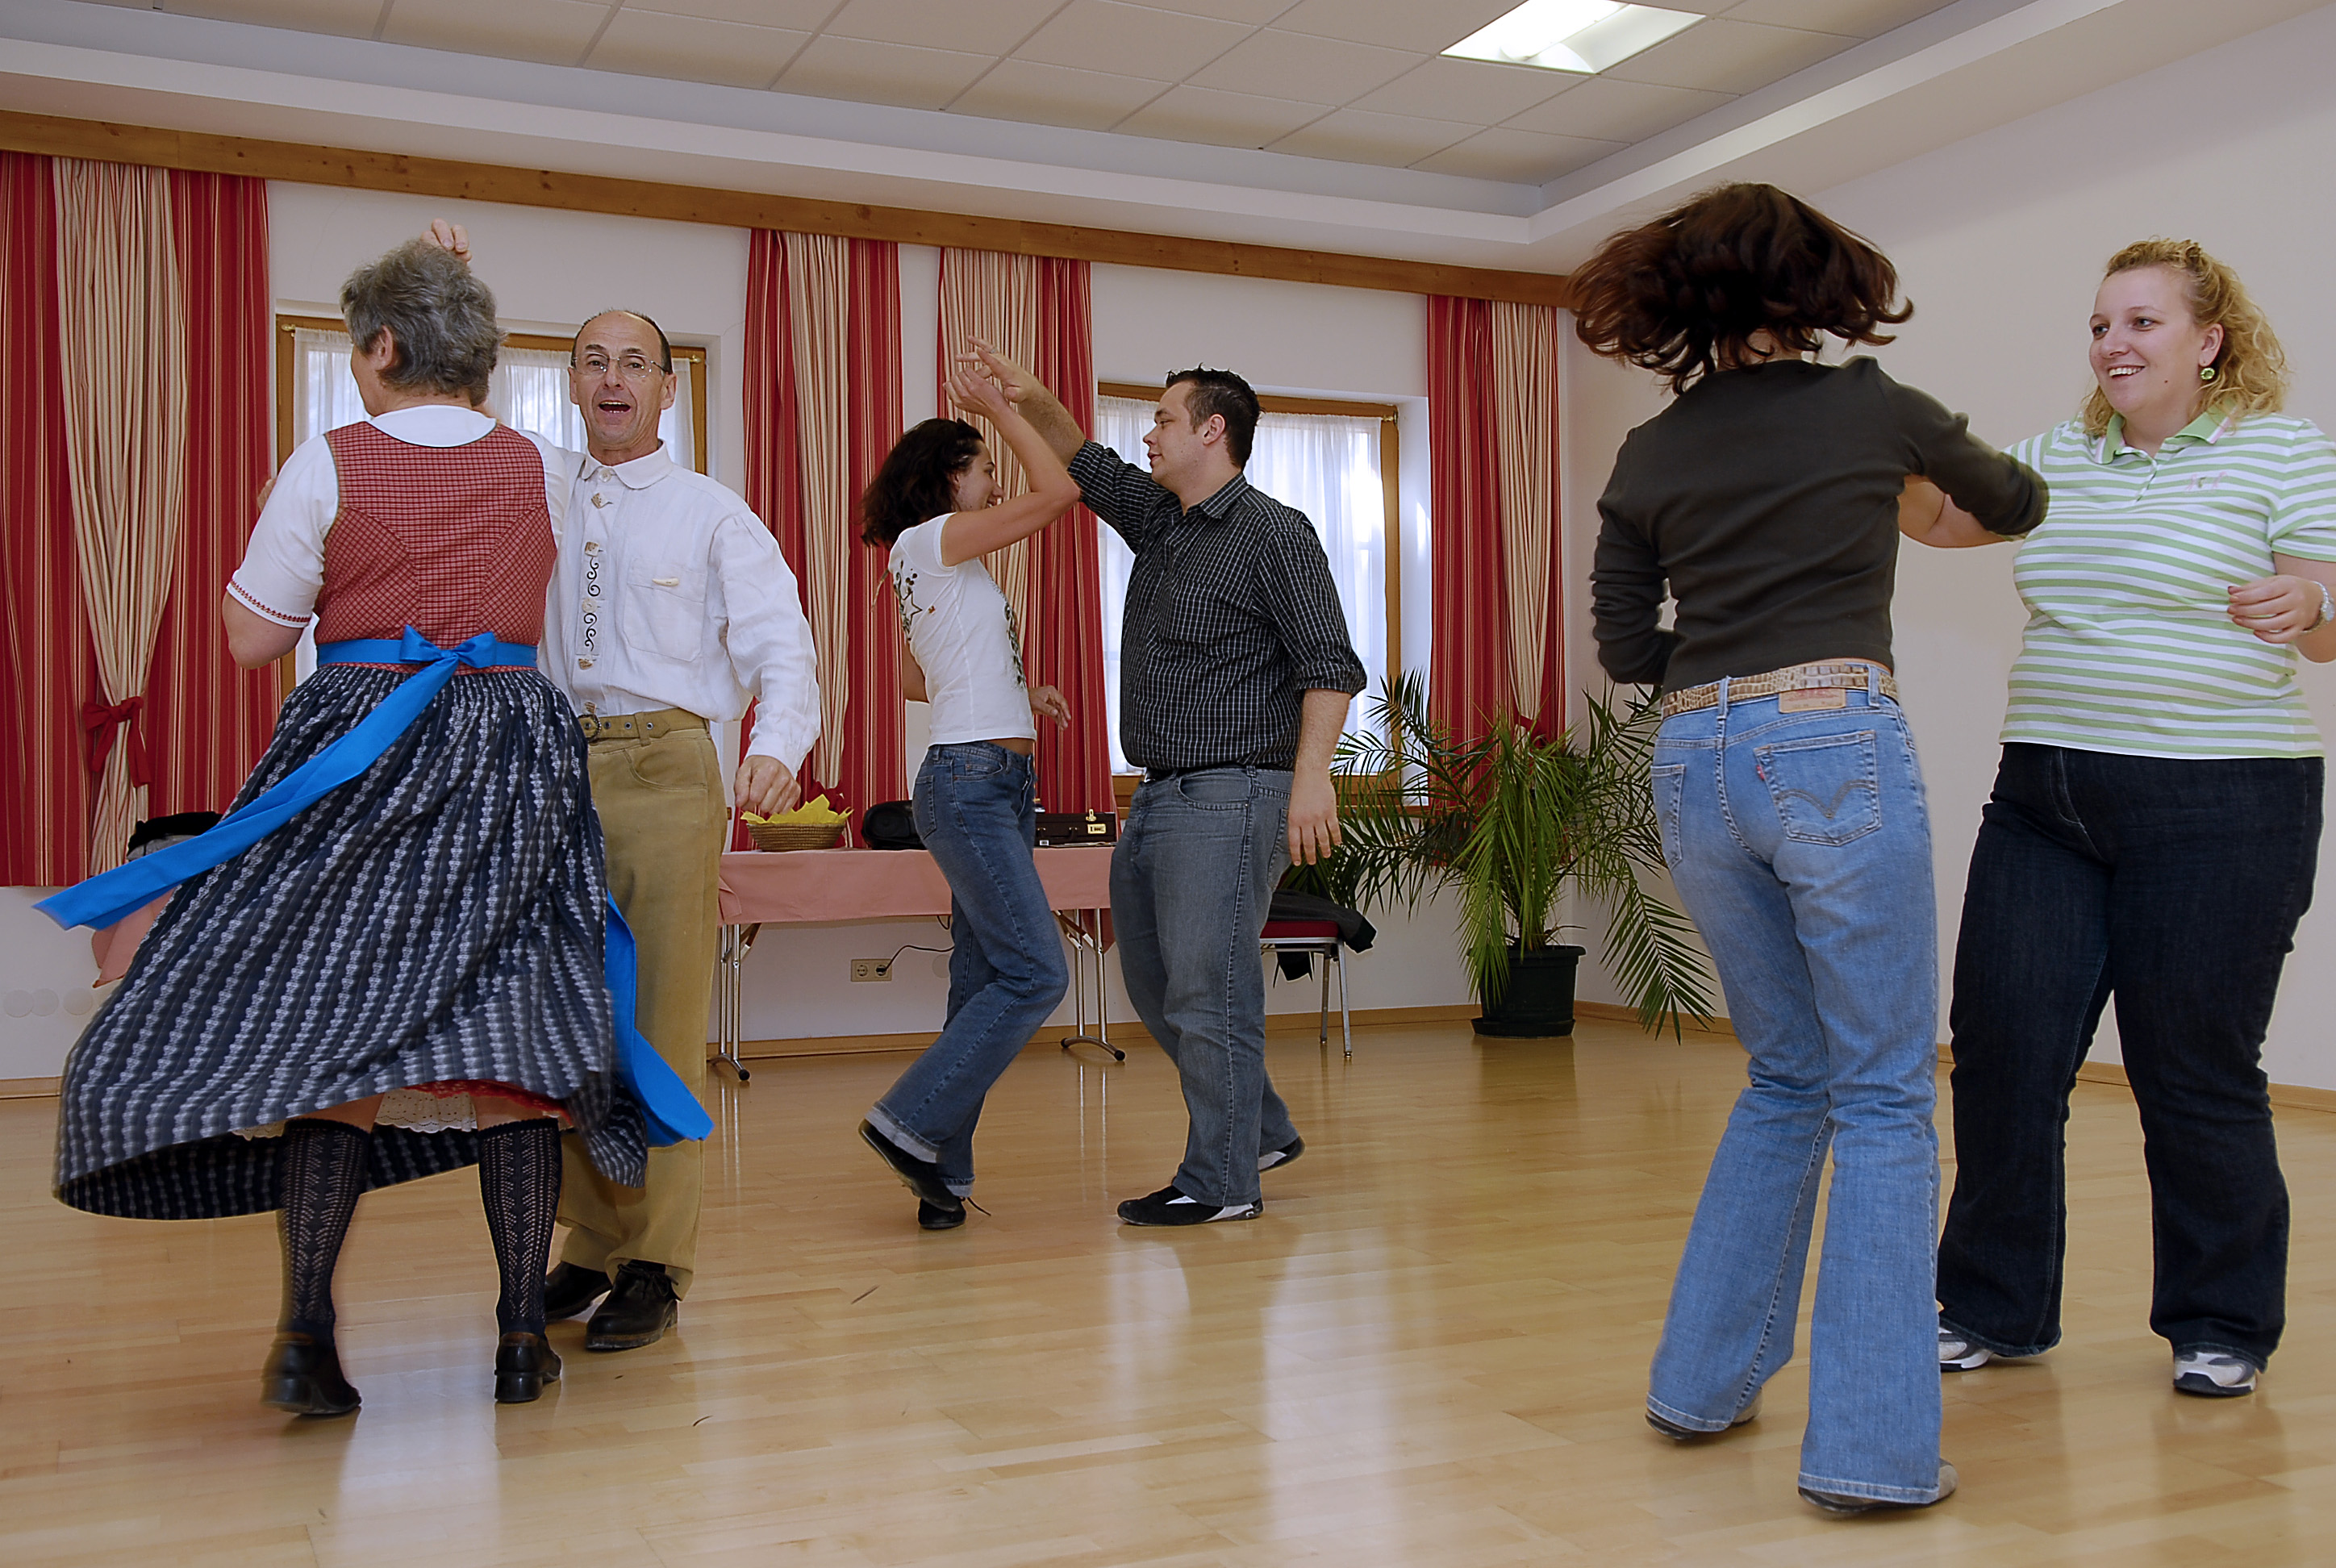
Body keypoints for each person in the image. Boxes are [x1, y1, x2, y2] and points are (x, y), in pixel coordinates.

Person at [43, 237, 647, 1415]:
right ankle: (522, 1341)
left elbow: (251, 640)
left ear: (380, 347)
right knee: (512, 1041)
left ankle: (305, 1339)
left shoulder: (328, 458)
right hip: (509, 753)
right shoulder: (544, 464)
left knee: (338, 1036)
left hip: (363, 748)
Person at [1579, 183, 2045, 1512]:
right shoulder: (1871, 407)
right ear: (1817, 285)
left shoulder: (1650, 450)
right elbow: (2014, 497)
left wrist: (1727, 650)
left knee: (1787, 1075)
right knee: (1885, 1095)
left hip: (1693, 756)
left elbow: (1626, 643)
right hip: (1831, 737)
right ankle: (1871, 1454)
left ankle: (1699, 1383)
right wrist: (1893, 487)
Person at [1931, 240, 2336, 1400]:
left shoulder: (2283, 449)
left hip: (2225, 800)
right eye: (2101, 324)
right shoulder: (2056, 456)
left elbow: (2328, 629)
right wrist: (1869, 436)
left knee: (2191, 1067)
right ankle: (1992, 1307)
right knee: (2004, 1052)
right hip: (2045, 794)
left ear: (2209, 340)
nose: (2113, 343)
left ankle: (2222, 1322)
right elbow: (1942, 520)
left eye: (2142, 322)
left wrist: (2310, 601)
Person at [422, 221, 819, 1352]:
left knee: (659, 1020)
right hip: (549, 768)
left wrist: (779, 743)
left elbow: (783, 645)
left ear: (665, 390)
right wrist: (451, 287)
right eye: (592, 360)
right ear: (570, 384)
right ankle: (591, 1246)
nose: (612, 377)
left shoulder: (712, 510)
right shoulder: (536, 482)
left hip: (665, 770)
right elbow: (452, 416)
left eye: (634, 362)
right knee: (562, 1019)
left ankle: (657, 1260)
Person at [970, 344, 1365, 1226]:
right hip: (1158, 795)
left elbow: (1330, 667)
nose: (1147, 435)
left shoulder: (1275, 534)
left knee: (1208, 991)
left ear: (1212, 431)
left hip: (1234, 794)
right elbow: (1082, 459)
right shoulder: (1162, 520)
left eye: (1162, 419)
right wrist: (1029, 396)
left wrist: (1312, 781)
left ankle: (1221, 1184)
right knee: (1154, 983)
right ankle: (1259, 1129)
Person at [853, 364, 1081, 1230]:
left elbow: (918, 680)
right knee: (1038, 971)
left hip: (989, 775)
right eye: (985, 468)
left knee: (983, 976)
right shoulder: (936, 540)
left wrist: (1023, 692)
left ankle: (941, 1175)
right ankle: (906, 1120)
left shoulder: (931, 562)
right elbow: (1059, 492)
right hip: (972, 781)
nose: (995, 483)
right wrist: (997, 409)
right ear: (952, 477)